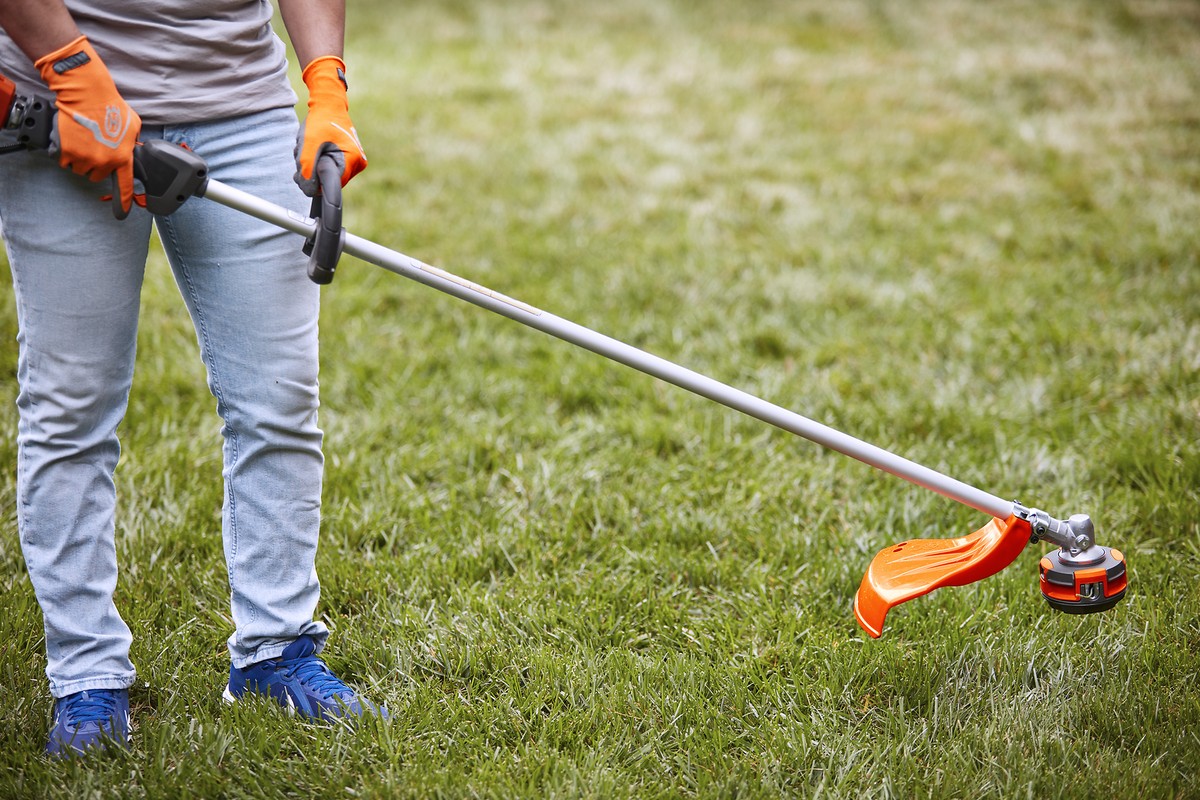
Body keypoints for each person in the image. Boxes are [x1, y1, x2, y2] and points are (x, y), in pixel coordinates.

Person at [0, 0, 385, 758]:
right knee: (71, 408)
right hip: (63, 99)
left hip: (241, 111)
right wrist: (73, 74)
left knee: (278, 402)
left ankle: (276, 652)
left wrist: (327, 88)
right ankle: (86, 677)